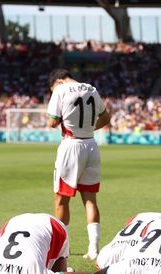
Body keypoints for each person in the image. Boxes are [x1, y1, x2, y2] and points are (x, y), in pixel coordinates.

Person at [46, 69, 111, 260]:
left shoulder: (60, 90)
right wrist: (89, 128)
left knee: (61, 200)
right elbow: (106, 118)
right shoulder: (91, 88)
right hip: (91, 144)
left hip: (71, 146)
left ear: (57, 81)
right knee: (90, 199)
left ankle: (60, 249)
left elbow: (52, 122)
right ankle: (94, 249)